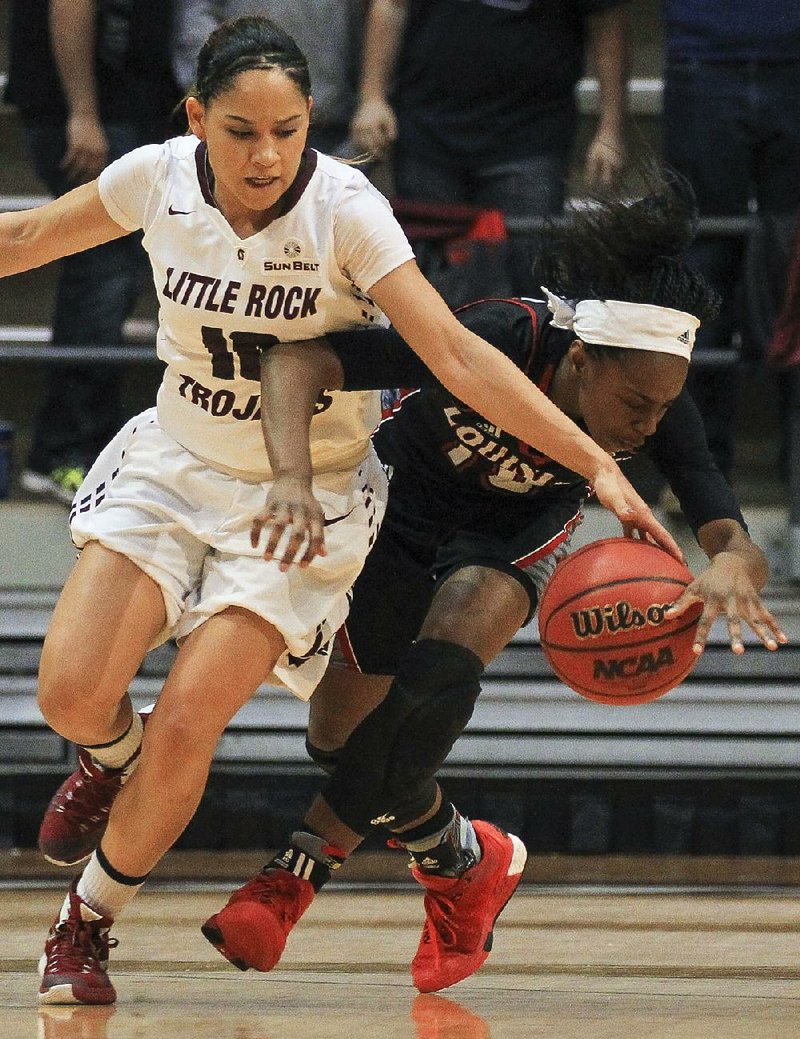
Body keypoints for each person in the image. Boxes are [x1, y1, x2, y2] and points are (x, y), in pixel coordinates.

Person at [15, 16, 670, 1007]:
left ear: (310, 119)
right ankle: (109, 755)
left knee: (194, 717)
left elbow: (453, 354)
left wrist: (594, 462)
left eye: (285, 128)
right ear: (196, 118)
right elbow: (24, 236)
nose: (266, 152)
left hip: (307, 493)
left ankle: (85, 924)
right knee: (69, 693)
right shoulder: (151, 177)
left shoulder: (347, 209)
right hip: (178, 457)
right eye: (239, 131)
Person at [198, 170, 786, 993]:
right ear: (579, 358)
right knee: (342, 741)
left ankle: (288, 879)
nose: (648, 426)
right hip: (400, 511)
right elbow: (299, 358)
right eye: (635, 403)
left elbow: (730, 529)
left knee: (453, 648)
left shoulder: (659, 404)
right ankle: (463, 860)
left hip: (514, 535)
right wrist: (291, 474)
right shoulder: (501, 335)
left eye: (664, 409)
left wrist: (731, 561)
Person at [4, 0, 179, 504]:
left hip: (118, 107)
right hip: (95, 112)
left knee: (108, 274)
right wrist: (83, 112)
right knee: (103, 273)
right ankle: (64, 454)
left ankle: (72, 450)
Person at [351, 0, 631, 296]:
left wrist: (612, 128)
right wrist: (372, 98)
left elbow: (608, 23)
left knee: (529, 281)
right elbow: (392, 5)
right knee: (428, 287)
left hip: (530, 137)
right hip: (427, 134)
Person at [661, 0, 800, 481]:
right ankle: (699, 471)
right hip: (702, 57)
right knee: (702, 271)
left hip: (760, 59)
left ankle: (793, 462)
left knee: (795, 271)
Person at [171, 0, 364, 156]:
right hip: (235, 117)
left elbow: (381, 11)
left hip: (338, 118)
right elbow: (196, 21)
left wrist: (372, 96)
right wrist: (220, 87)